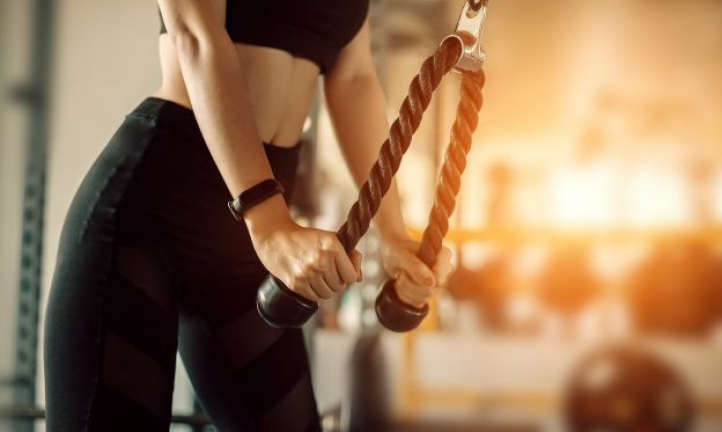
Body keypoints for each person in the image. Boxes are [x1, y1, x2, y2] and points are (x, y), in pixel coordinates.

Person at [43, 1, 453, 431]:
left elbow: (353, 78)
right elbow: (198, 38)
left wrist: (392, 233)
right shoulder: (256, 218)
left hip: (248, 238)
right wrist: (268, 221)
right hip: (151, 215)